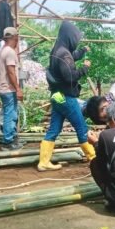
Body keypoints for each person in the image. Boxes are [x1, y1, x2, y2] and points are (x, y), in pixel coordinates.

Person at [39, 21, 95, 171]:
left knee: (54, 129)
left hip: (56, 96)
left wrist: (83, 50)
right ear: (70, 37)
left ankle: (43, 162)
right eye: (76, 38)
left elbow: (71, 57)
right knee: (82, 127)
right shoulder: (64, 54)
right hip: (66, 97)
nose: (76, 41)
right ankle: (94, 158)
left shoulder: (57, 50)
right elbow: (70, 76)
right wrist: (84, 68)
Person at [0, 27, 23, 151]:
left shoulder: (0, 50)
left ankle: (12, 137)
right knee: (10, 115)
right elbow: (11, 72)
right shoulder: (10, 52)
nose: (17, 40)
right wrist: (18, 89)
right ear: (14, 37)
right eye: (17, 38)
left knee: (11, 113)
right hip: (8, 89)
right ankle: (8, 142)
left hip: (2, 87)